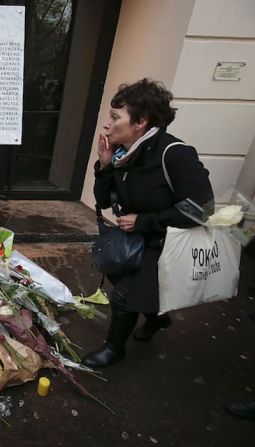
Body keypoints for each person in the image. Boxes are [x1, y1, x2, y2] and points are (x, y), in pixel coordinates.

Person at [82, 79, 214, 368]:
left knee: (125, 296)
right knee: (126, 280)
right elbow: (103, 201)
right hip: (137, 239)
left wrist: (144, 221)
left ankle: (114, 349)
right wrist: (104, 165)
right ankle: (156, 317)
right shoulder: (124, 153)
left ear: (141, 121)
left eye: (116, 117)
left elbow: (202, 209)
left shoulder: (174, 153)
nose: (107, 124)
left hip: (165, 242)